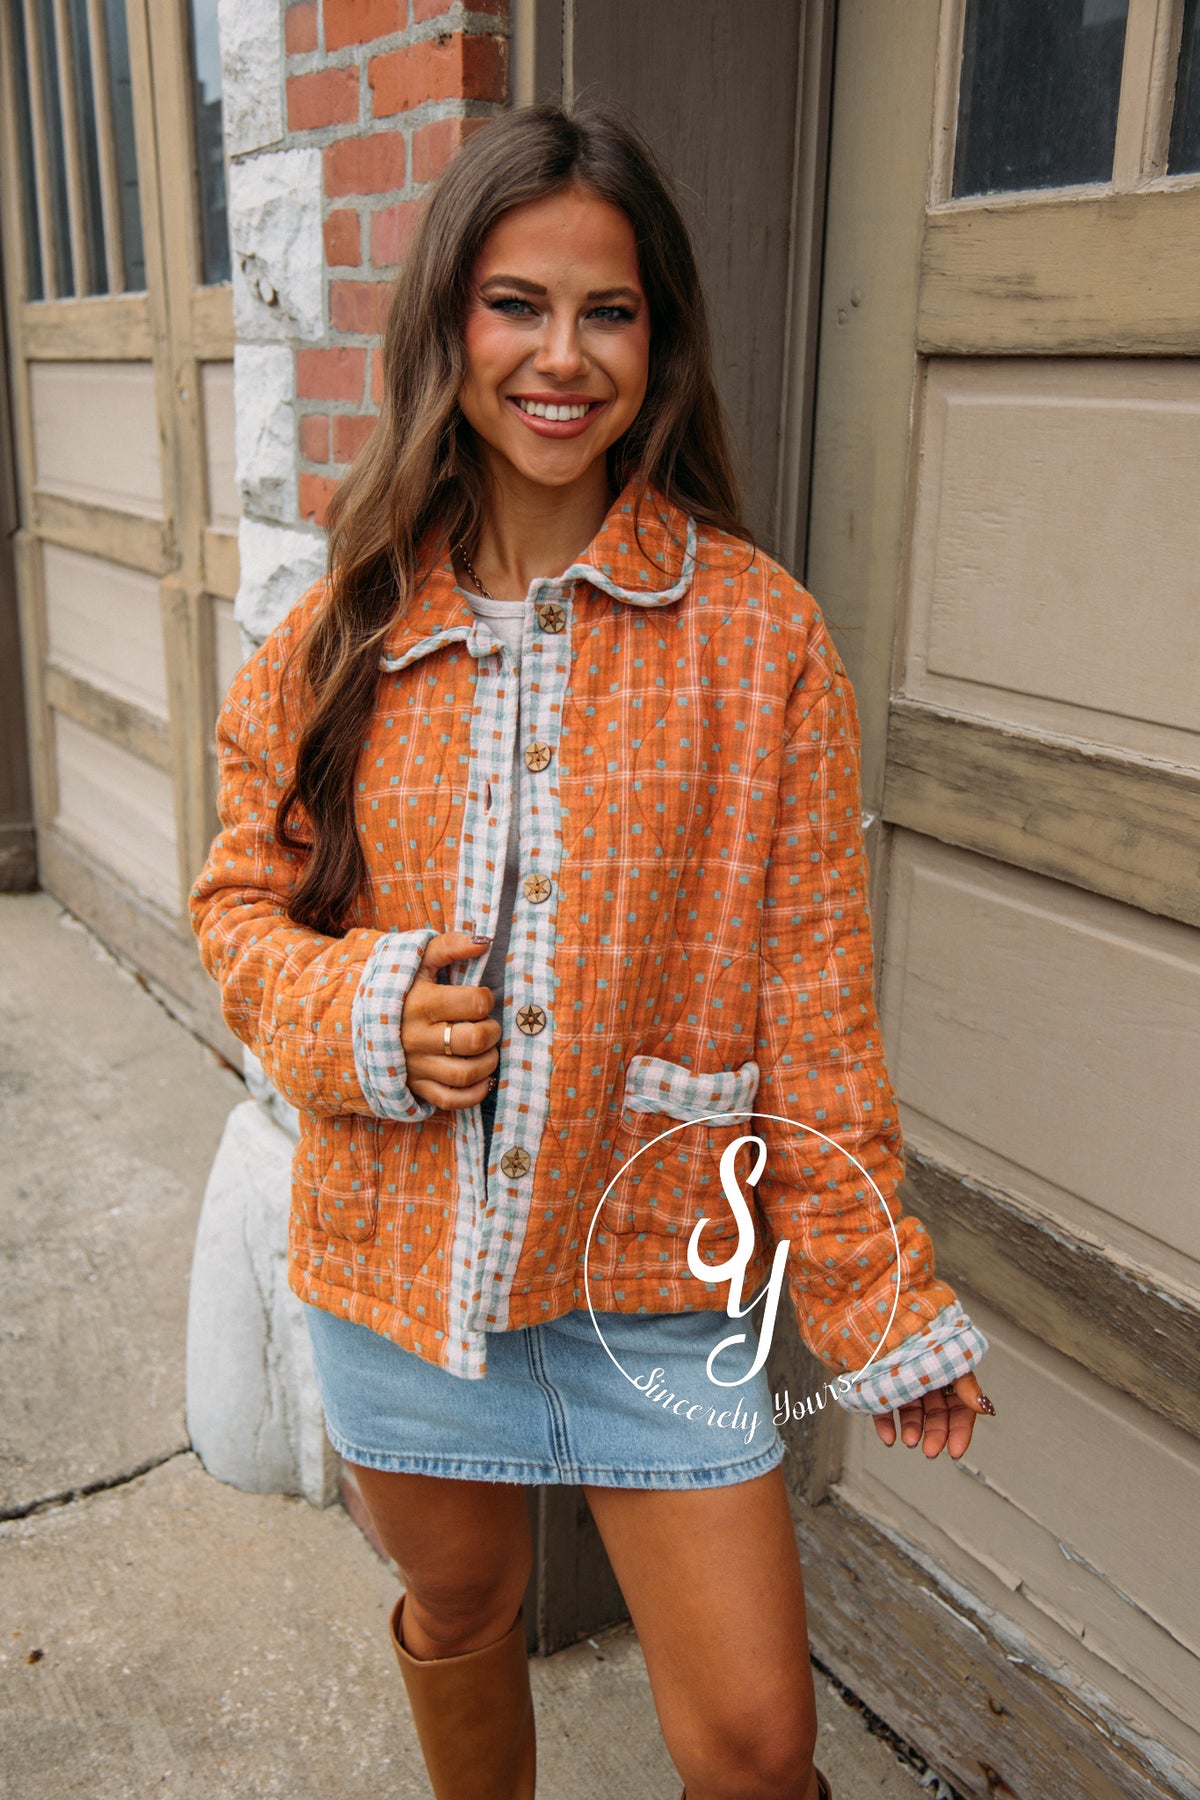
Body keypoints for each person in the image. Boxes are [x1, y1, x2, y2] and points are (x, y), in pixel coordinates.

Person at [190, 100, 995, 1800]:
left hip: (656, 1283)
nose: (562, 356)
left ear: (660, 339)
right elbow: (239, 911)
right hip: (397, 1271)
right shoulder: (339, 634)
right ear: (448, 326)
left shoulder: (759, 639)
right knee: (461, 1606)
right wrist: (367, 1010)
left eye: (607, 311)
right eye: (517, 304)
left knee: (759, 1744)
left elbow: (814, 1005)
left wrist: (874, 1299)